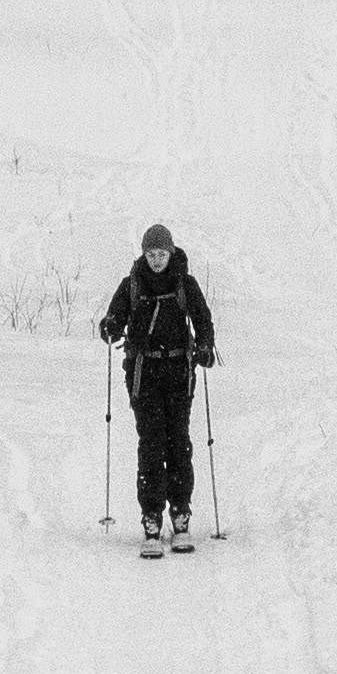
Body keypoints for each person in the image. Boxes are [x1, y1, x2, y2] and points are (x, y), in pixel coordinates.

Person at [97, 224, 217, 558]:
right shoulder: (132, 284)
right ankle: (151, 520)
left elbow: (203, 320)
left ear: (171, 252)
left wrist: (205, 347)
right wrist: (109, 327)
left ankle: (180, 516)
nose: (157, 260)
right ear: (144, 254)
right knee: (151, 443)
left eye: (162, 253)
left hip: (178, 372)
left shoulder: (184, 283)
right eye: (151, 254)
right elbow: (113, 317)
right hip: (144, 374)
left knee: (178, 441)